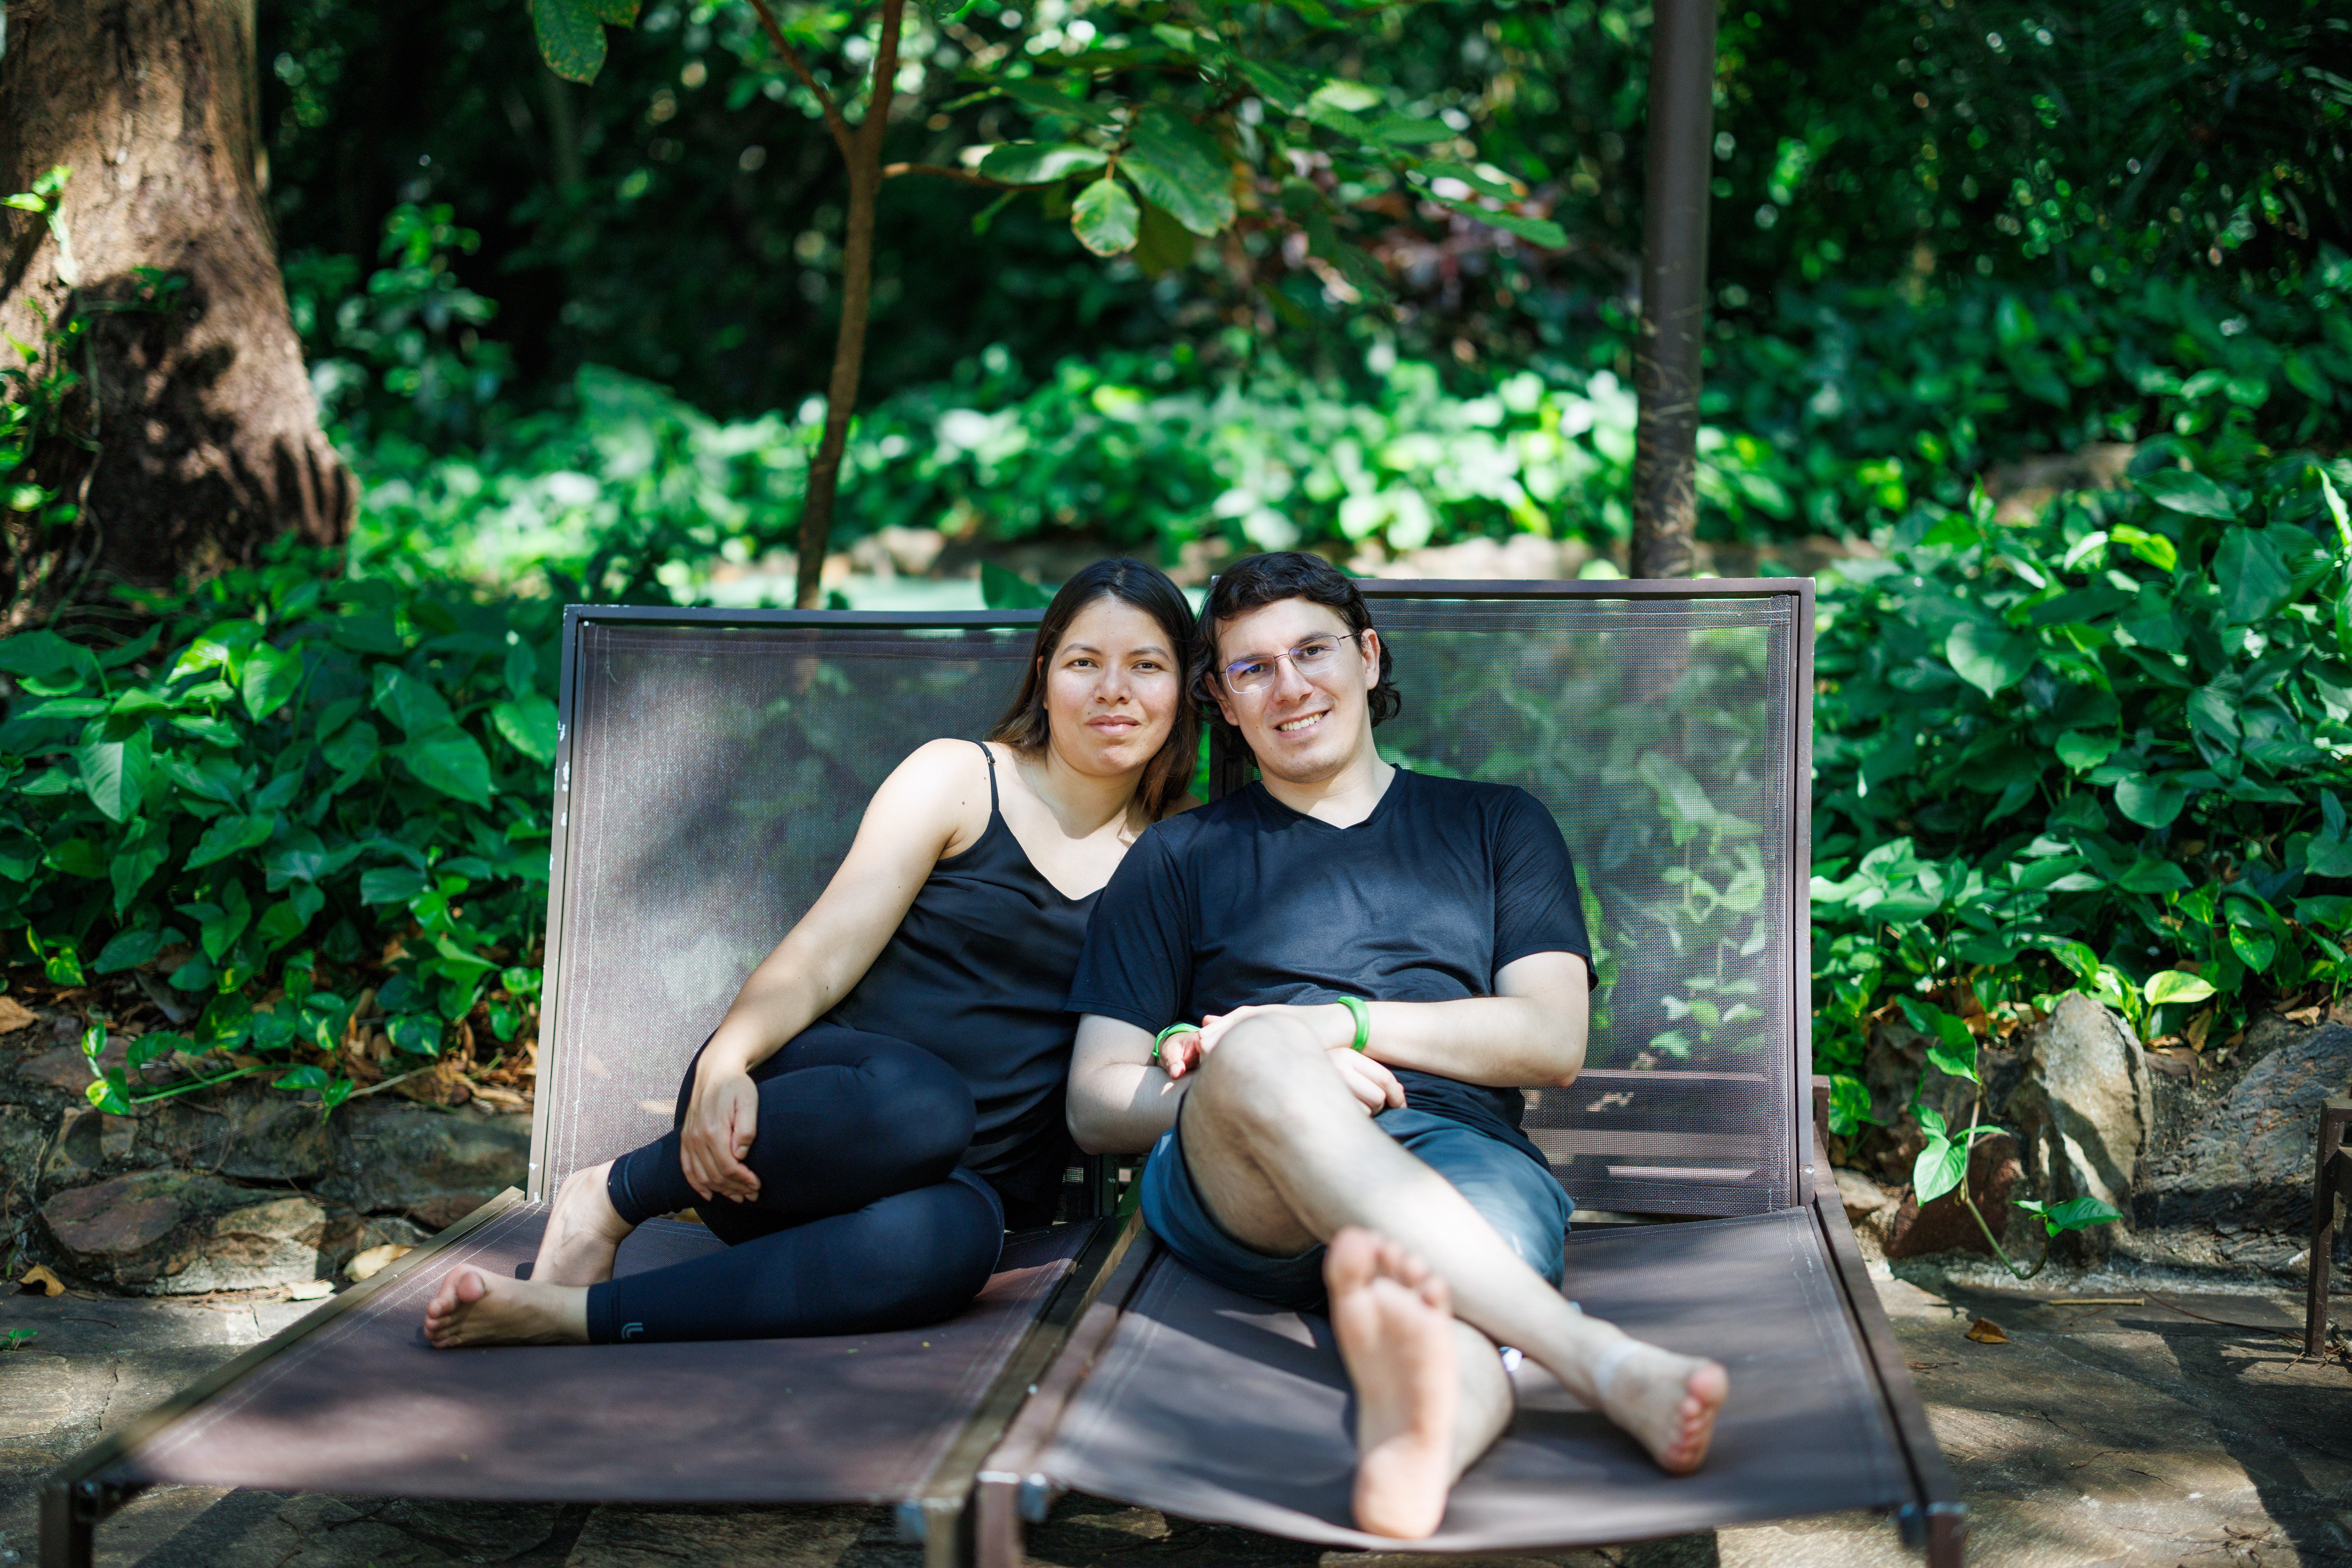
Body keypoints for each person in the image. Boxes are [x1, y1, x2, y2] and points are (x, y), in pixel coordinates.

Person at [1064, 550, 1728, 1541]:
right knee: (1261, 1052)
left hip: (1459, 1151)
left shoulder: (1498, 823)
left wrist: (1345, 1022)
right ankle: (1595, 1360)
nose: (1290, 686)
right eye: (1252, 669)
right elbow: (1093, 1097)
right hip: (1243, 1183)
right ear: (1224, 701)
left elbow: (1552, 1039)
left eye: (1314, 650)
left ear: (1369, 657)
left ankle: (1425, 1435)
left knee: (1445, 1303)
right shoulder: (1180, 856)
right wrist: (1276, 1072)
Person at [423, 558, 1200, 1348]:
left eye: (1146, 665)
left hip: (934, 1198)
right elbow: (822, 954)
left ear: (1184, 687)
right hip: (786, 1129)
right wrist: (726, 1061)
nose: (1113, 689)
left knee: (957, 1242)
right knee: (927, 1102)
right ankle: (610, 1194)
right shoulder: (961, 778)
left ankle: (569, 1316)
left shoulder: (1175, 860)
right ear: (1043, 675)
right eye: (1083, 662)